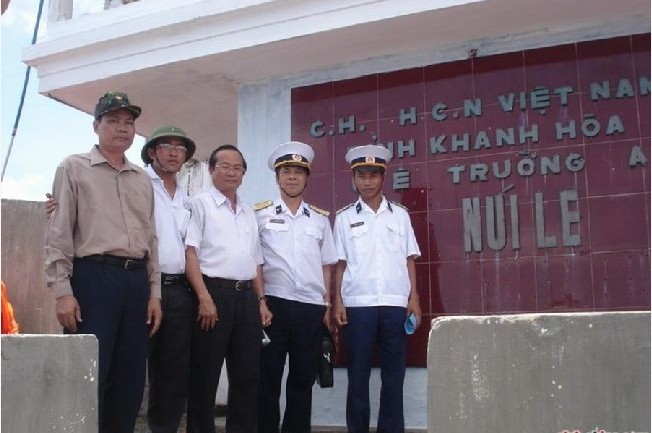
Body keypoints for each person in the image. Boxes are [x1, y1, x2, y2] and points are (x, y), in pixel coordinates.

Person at [44, 91, 162, 433]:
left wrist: (154, 293)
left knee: (129, 379)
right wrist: (62, 291)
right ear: (96, 126)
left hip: (135, 282)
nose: (122, 128)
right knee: (88, 373)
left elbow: (151, 238)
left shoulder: (142, 179)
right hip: (93, 279)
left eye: (129, 122)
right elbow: (59, 231)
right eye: (113, 121)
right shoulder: (73, 168)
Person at [332, 144, 422, 433]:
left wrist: (414, 298)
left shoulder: (400, 215)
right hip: (358, 305)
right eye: (361, 176)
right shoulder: (344, 218)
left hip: (395, 304)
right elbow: (340, 264)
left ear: (383, 177)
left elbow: (409, 259)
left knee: (394, 375)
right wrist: (337, 301)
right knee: (357, 375)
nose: (367, 181)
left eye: (373, 175)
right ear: (353, 179)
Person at [184, 144, 273, 433]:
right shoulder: (199, 204)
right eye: (224, 166)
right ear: (211, 169)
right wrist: (203, 296)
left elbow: (255, 261)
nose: (231, 172)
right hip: (214, 294)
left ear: (243, 174)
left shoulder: (248, 212)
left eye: (237, 168)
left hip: (246, 297)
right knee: (205, 374)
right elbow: (190, 253)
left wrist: (261, 300)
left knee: (247, 375)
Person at [255, 141, 337, 433]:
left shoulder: (319, 219)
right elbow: (256, 263)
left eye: (298, 172)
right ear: (277, 178)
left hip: (310, 308)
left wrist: (326, 306)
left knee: (303, 378)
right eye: (286, 172)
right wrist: (260, 301)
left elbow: (327, 265)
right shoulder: (260, 215)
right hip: (273, 305)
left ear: (307, 178)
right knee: (268, 377)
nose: (292, 177)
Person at [141, 125, 197, 433]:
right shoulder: (138, 183)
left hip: (179, 289)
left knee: (174, 371)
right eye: (166, 147)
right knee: (131, 365)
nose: (174, 153)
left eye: (180, 148)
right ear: (152, 152)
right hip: (143, 285)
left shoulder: (188, 197)